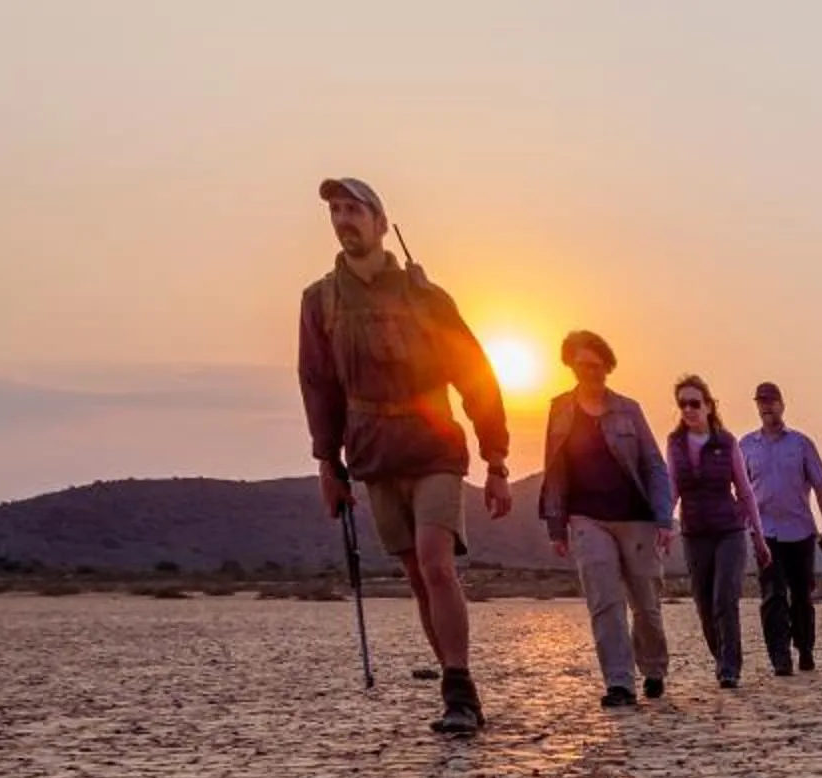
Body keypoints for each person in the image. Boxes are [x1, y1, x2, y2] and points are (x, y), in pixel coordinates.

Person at [297, 176, 513, 735]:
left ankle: (460, 688)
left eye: (354, 209)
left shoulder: (426, 296)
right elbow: (318, 384)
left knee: (437, 563)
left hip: (433, 443)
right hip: (372, 452)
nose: (343, 219)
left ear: (379, 221)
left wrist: (496, 460)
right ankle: (453, 688)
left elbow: (476, 374)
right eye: (336, 210)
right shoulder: (319, 300)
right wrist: (328, 463)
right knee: (417, 575)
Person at [540, 332, 677, 708]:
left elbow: (653, 464)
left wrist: (665, 519)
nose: (593, 371)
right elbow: (554, 469)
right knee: (605, 601)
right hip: (587, 518)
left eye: (599, 365)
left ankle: (652, 669)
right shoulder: (560, 410)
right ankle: (619, 683)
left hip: (636, 518)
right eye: (584, 365)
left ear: (608, 366)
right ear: (571, 365)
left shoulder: (628, 410)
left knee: (646, 605)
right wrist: (556, 526)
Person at [665, 376, 772, 691]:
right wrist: (663, 527)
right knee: (703, 602)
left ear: (709, 406)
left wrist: (759, 538)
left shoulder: (726, 442)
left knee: (725, 597)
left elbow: (745, 491)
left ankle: (730, 667)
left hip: (729, 530)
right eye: (682, 404)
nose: (688, 409)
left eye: (694, 403)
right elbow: (672, 488)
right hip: (695, 532)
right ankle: (720, 656)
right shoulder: (675, 443)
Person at [739, 381, 822, 676]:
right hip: (765, 532)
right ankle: (779, 656)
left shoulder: (801, 444)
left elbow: (820, 487)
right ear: (757, 406)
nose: (767, 406)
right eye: (762, 401)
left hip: (800, 530)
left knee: (802, 594)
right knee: (773, 593)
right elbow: (740, 489)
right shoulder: (745, 446)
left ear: (782, 404)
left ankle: (804, 648)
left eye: (772, 400)